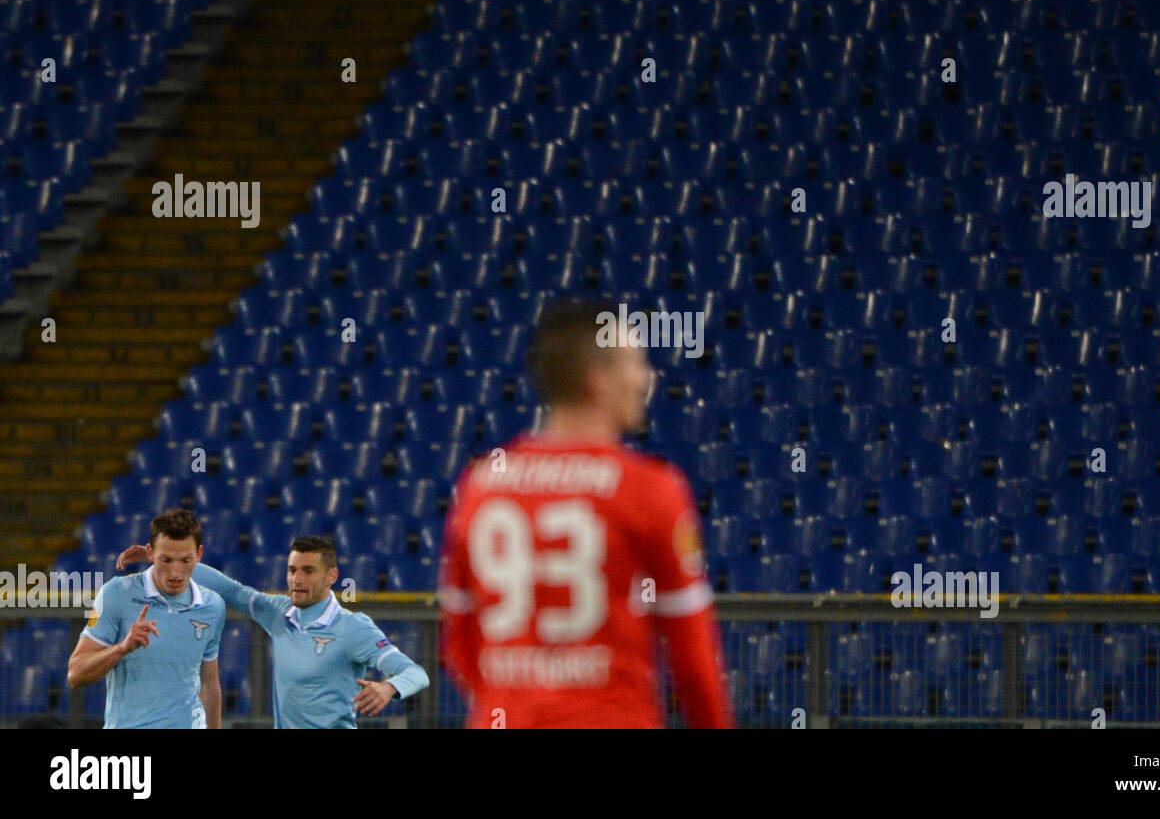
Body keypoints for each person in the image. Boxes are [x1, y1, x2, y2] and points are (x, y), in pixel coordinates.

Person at [439, 298, 734, 728]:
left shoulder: (481, 483)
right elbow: (693, 657)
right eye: (635, 362)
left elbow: (460, 644)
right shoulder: (650, 488)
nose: (646, 377)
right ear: (597, 382)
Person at [117, 532, 429, 728]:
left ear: (331, 576)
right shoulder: (279, 613)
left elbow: (416, 673)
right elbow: (231, 589)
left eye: (308, 571)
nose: (297, 579)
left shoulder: (352, 627)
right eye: (293, 570)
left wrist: (389, 688)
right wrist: (159, 557)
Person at [69, 509, 225, 729]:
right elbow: (76, 673)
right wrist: (122, 648)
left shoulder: (213, 606)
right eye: (166, 560)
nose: (175, 573)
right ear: (150, 553)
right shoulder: (116, 594)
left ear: (199, 555)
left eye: (186, 560)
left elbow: (209, 683)